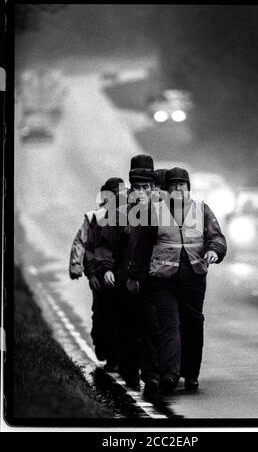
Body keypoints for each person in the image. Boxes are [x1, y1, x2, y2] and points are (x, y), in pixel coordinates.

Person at [127, 167, 227, 393]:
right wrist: (133, 277)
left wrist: (215, 251)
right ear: (167, 189)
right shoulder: (155, 211)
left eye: (181, 185)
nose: (177, 189)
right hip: (164, 280)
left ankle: (191, 374)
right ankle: (171, 374)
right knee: (169, 324)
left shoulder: (202, 210)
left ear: (188, 188)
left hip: (194, 278)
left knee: (193, 324)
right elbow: (142, 248)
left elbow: (217, 237)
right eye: (172, 186)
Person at [94, 155, 156, 390]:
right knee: (128, 329)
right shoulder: (119, 212)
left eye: (146, 186)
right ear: (131, 185)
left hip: (152, 281)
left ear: (152, 186)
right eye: (137, 186)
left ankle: (150, 374)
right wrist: (107, 269)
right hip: (125, 282)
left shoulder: (164, 211)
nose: (141, 191)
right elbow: (105, 244)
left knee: (151, 329)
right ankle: (131, 375)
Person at [83, 177, 126, 370]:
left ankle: (116, 358)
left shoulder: (129, 217)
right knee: (101, 317)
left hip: (120, 276)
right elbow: (88, 249)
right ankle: (105, 351)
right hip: (101, 277)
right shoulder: (96, 219)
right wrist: (91, 275)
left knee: (120, 317)